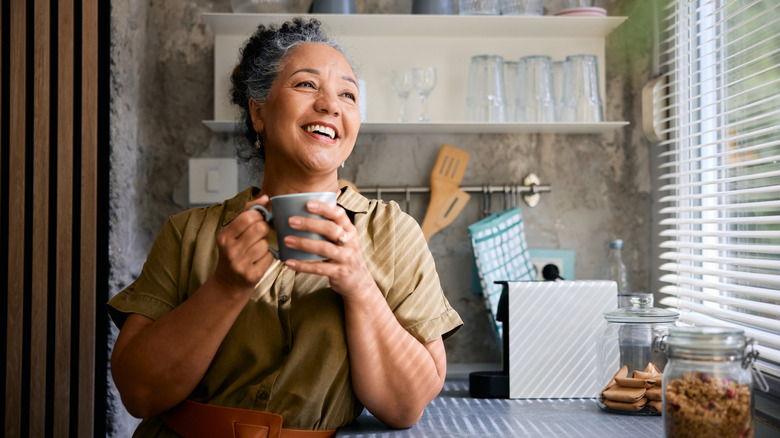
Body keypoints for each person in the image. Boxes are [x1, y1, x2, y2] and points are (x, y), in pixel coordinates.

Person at [108, 17, 462, 437]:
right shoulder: (189, 233)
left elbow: (405, 407)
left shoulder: (393, 233)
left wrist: (360, 285)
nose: (330, 104)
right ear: (258, 111)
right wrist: (225, 287)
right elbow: (139, 393)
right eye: (306, 85)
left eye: (347, 94)